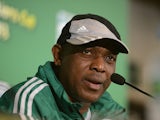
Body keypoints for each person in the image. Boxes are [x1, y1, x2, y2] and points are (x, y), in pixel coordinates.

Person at [0, 13, 129, 120]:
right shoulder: (31, 101)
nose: (100, 66)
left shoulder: (110, 110)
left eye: (110, 58)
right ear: (58, 55)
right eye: (87, 51)